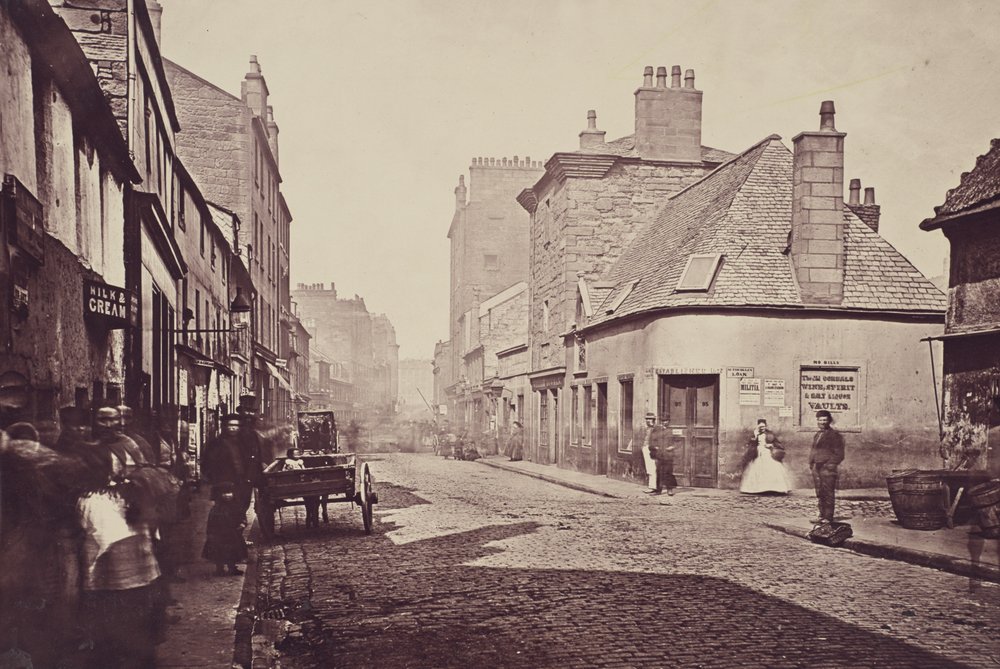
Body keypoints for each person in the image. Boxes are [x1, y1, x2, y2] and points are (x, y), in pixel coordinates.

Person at [202, 414, 254, 519]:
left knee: (241, 511)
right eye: (230, 425)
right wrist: (223, 487)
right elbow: (208, 465)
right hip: (224, 484)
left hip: (242, 483)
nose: (233, 428)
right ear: (224, 426)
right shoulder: (216, 444)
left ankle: (237, 532)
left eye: (236, 425)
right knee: (225, 513)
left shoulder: (244, 443)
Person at [202, 482, 248, 576]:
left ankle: (232, 567)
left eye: (230, 492)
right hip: (219, 535)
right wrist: (211, 534)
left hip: (233, 533)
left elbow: (241, 515)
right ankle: (219, 569)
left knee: (233, 551)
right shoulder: (216, 509)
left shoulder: (236, 506)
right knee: (219, 552)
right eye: (224, 493)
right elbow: (211, 523)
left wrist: (243, 523)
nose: (228, 495)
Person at [809, 409, 845, 525]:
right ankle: (821, 515)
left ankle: (828, 517)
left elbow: (839, 454)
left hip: (827, 468)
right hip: (817, 467)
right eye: (820, 420)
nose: (823, 422)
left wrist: (830, 465)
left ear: (829, 421)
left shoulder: (834, 435)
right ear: (817, 421)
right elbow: (814, 450)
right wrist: (812, 463)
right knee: (820, 492)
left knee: (828, 492)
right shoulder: (817, 434)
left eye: (825, 420)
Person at [739, 418, 790, 494]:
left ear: (766, 426)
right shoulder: (755, 434)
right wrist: (755, 436)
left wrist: (771, 445)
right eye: (760, 427)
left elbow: (778, 444)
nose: (762, 428)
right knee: (757, 468)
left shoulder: (770, 434)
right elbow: (751, 444)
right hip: (757, 453)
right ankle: (759, 488)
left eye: (764, 426)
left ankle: (774, 488)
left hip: (767, 452)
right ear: (758, 426)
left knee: (772, 468)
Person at [648, 417, 677, 496]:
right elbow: (652, 441)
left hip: (668, 455)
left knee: (668, 472)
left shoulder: (671, 431)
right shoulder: (657, 430)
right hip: (659, 455)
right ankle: (658, 490)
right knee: (659, 472)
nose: (665, 422)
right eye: (663, 421)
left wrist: (673, 447)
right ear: (661, 422)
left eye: (666, 420)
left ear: (669, 421)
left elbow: (677, 442)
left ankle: (669, 489)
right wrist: (655, 447)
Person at [640, 412, 658, 493]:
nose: (648, 420)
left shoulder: (655, 429)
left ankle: (653, 487)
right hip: (646, 448)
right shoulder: (646, 428)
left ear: (653, 420)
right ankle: (652, 486)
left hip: (651, 449)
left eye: (650, 419)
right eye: (647, 419)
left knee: (652, 468)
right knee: (649, 467)